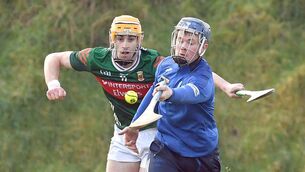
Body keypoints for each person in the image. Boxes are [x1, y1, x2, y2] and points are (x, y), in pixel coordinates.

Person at [44, 15, 242, 172]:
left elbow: (194, 77)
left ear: (140, 40)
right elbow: (54, 58)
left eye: (131, 39)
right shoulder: (97, 58)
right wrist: (53, 84)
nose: (125, 45)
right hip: (124, 130)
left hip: (156, 134)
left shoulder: (153, 62)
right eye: (120, 39)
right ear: (111, 39)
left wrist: (225, 86)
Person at [120, 17, 222, 172]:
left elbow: (190, 93)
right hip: (165, 148)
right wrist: (135, 126)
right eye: (180, 40)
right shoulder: (166, 65)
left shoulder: (204, 77)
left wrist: (171, 93)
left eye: (190, 42)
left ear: (203, 47)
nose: (183, 47)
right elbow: (151, 96)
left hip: (200, 155)